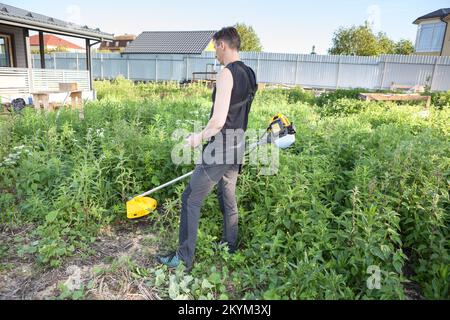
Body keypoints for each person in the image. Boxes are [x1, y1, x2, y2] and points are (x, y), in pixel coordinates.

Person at [157, 26, 257, 271]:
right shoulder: (251, 73)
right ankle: (229, 245)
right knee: (228, 196)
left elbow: (219, 120)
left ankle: (183, 258)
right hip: (238, 143)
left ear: (222, 44)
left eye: (215, 48)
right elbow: (239, 112)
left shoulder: (226, 73)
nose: (215, 53)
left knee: (191, 198)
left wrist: (197, 138)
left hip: (222, 146)